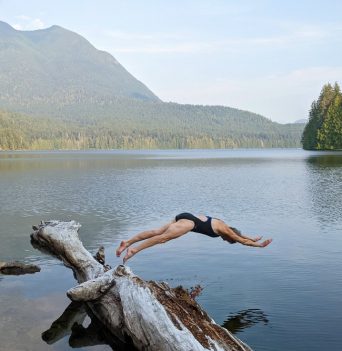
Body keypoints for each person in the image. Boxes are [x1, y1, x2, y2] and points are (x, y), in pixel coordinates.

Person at [116, 212, 273, 263]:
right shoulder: (227, 232)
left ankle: (127, 242)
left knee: (157, 231)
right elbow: (241, 240)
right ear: (230, 237)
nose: (226, 240)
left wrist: (253, 237)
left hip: (186, 216)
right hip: (190, 224)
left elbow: (240, 235)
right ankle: (133, 250)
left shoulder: (226, 227)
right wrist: (258, 245)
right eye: (229, 240)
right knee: (163, 238)